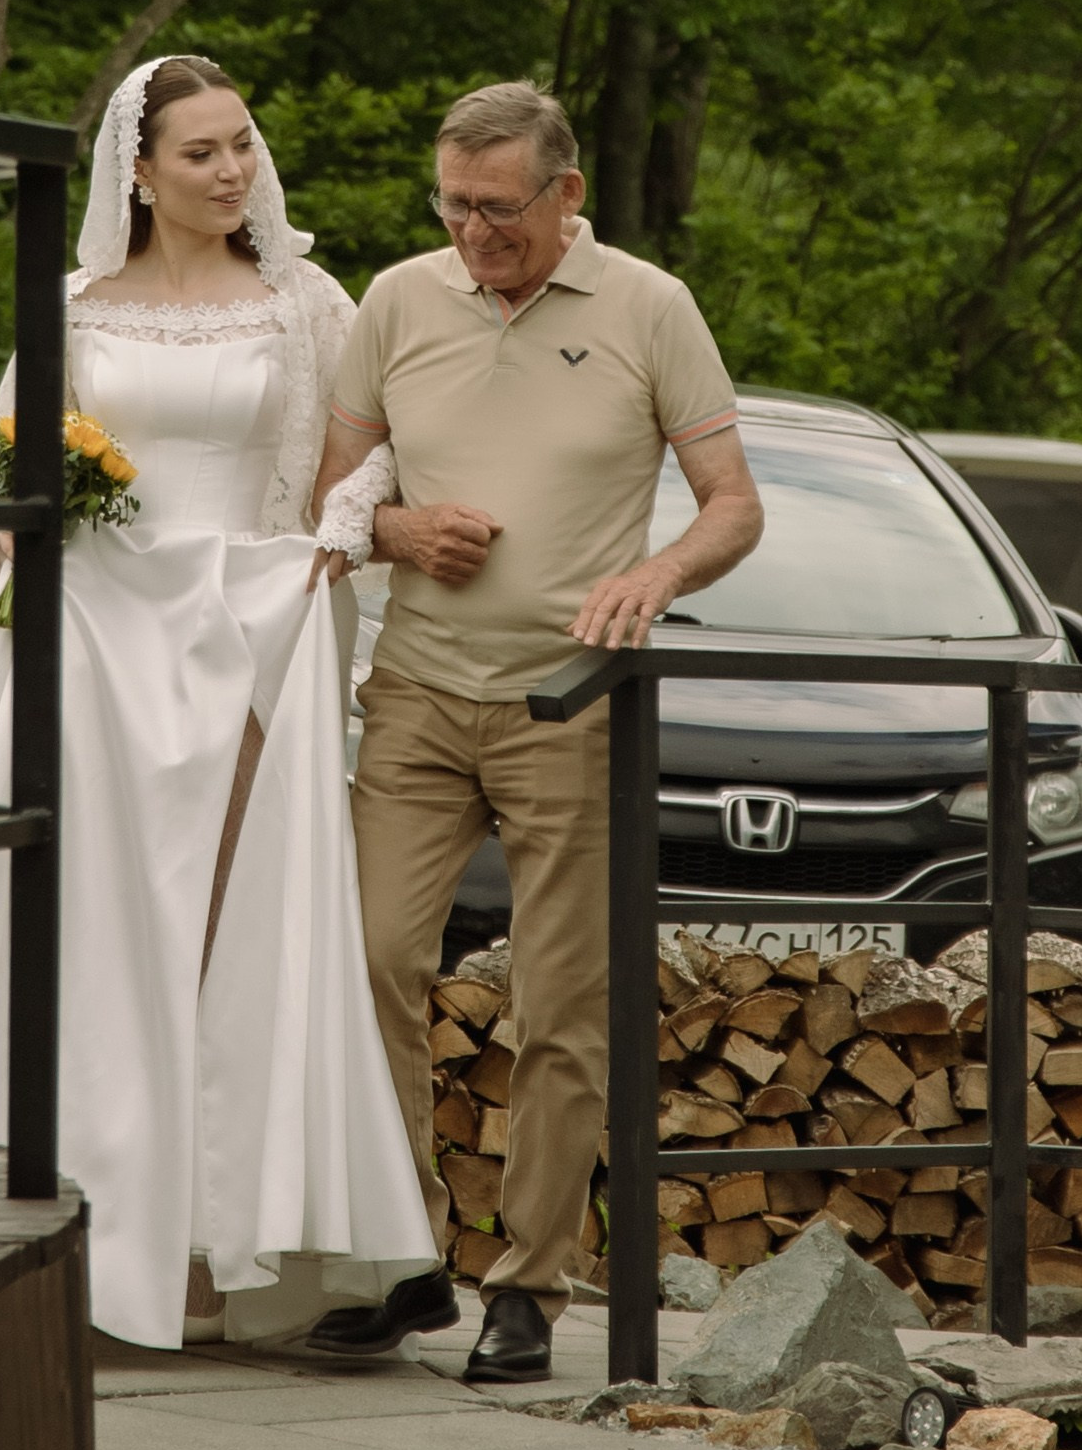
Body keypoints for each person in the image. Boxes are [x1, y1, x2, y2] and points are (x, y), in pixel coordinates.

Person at [0, 53, 437, 1352]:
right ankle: (33, 1228)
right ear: (138, 170)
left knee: (220, 931)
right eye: (202, 152)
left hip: (246, 629)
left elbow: (358, 454)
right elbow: (3, 482)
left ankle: (209, 1253)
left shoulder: (303, 304)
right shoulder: (71, 309)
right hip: (95, 631)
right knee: (73, 927)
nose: (232, 171)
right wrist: (18, 535)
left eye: (241, 145)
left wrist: (333, 537)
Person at [302, 79, 764, 1384]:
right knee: (369, 959)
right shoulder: (397, 299)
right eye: (452, 206)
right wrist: (390, 529)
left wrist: (654, 577)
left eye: (497, 210)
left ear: (565, 197)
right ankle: (402, 1258)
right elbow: (328, 493)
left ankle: (527, 1282)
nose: (472, 235)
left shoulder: (648, 308)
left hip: (570, 705)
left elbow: (731, 504)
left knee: (559, 1001)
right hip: (413, 693)